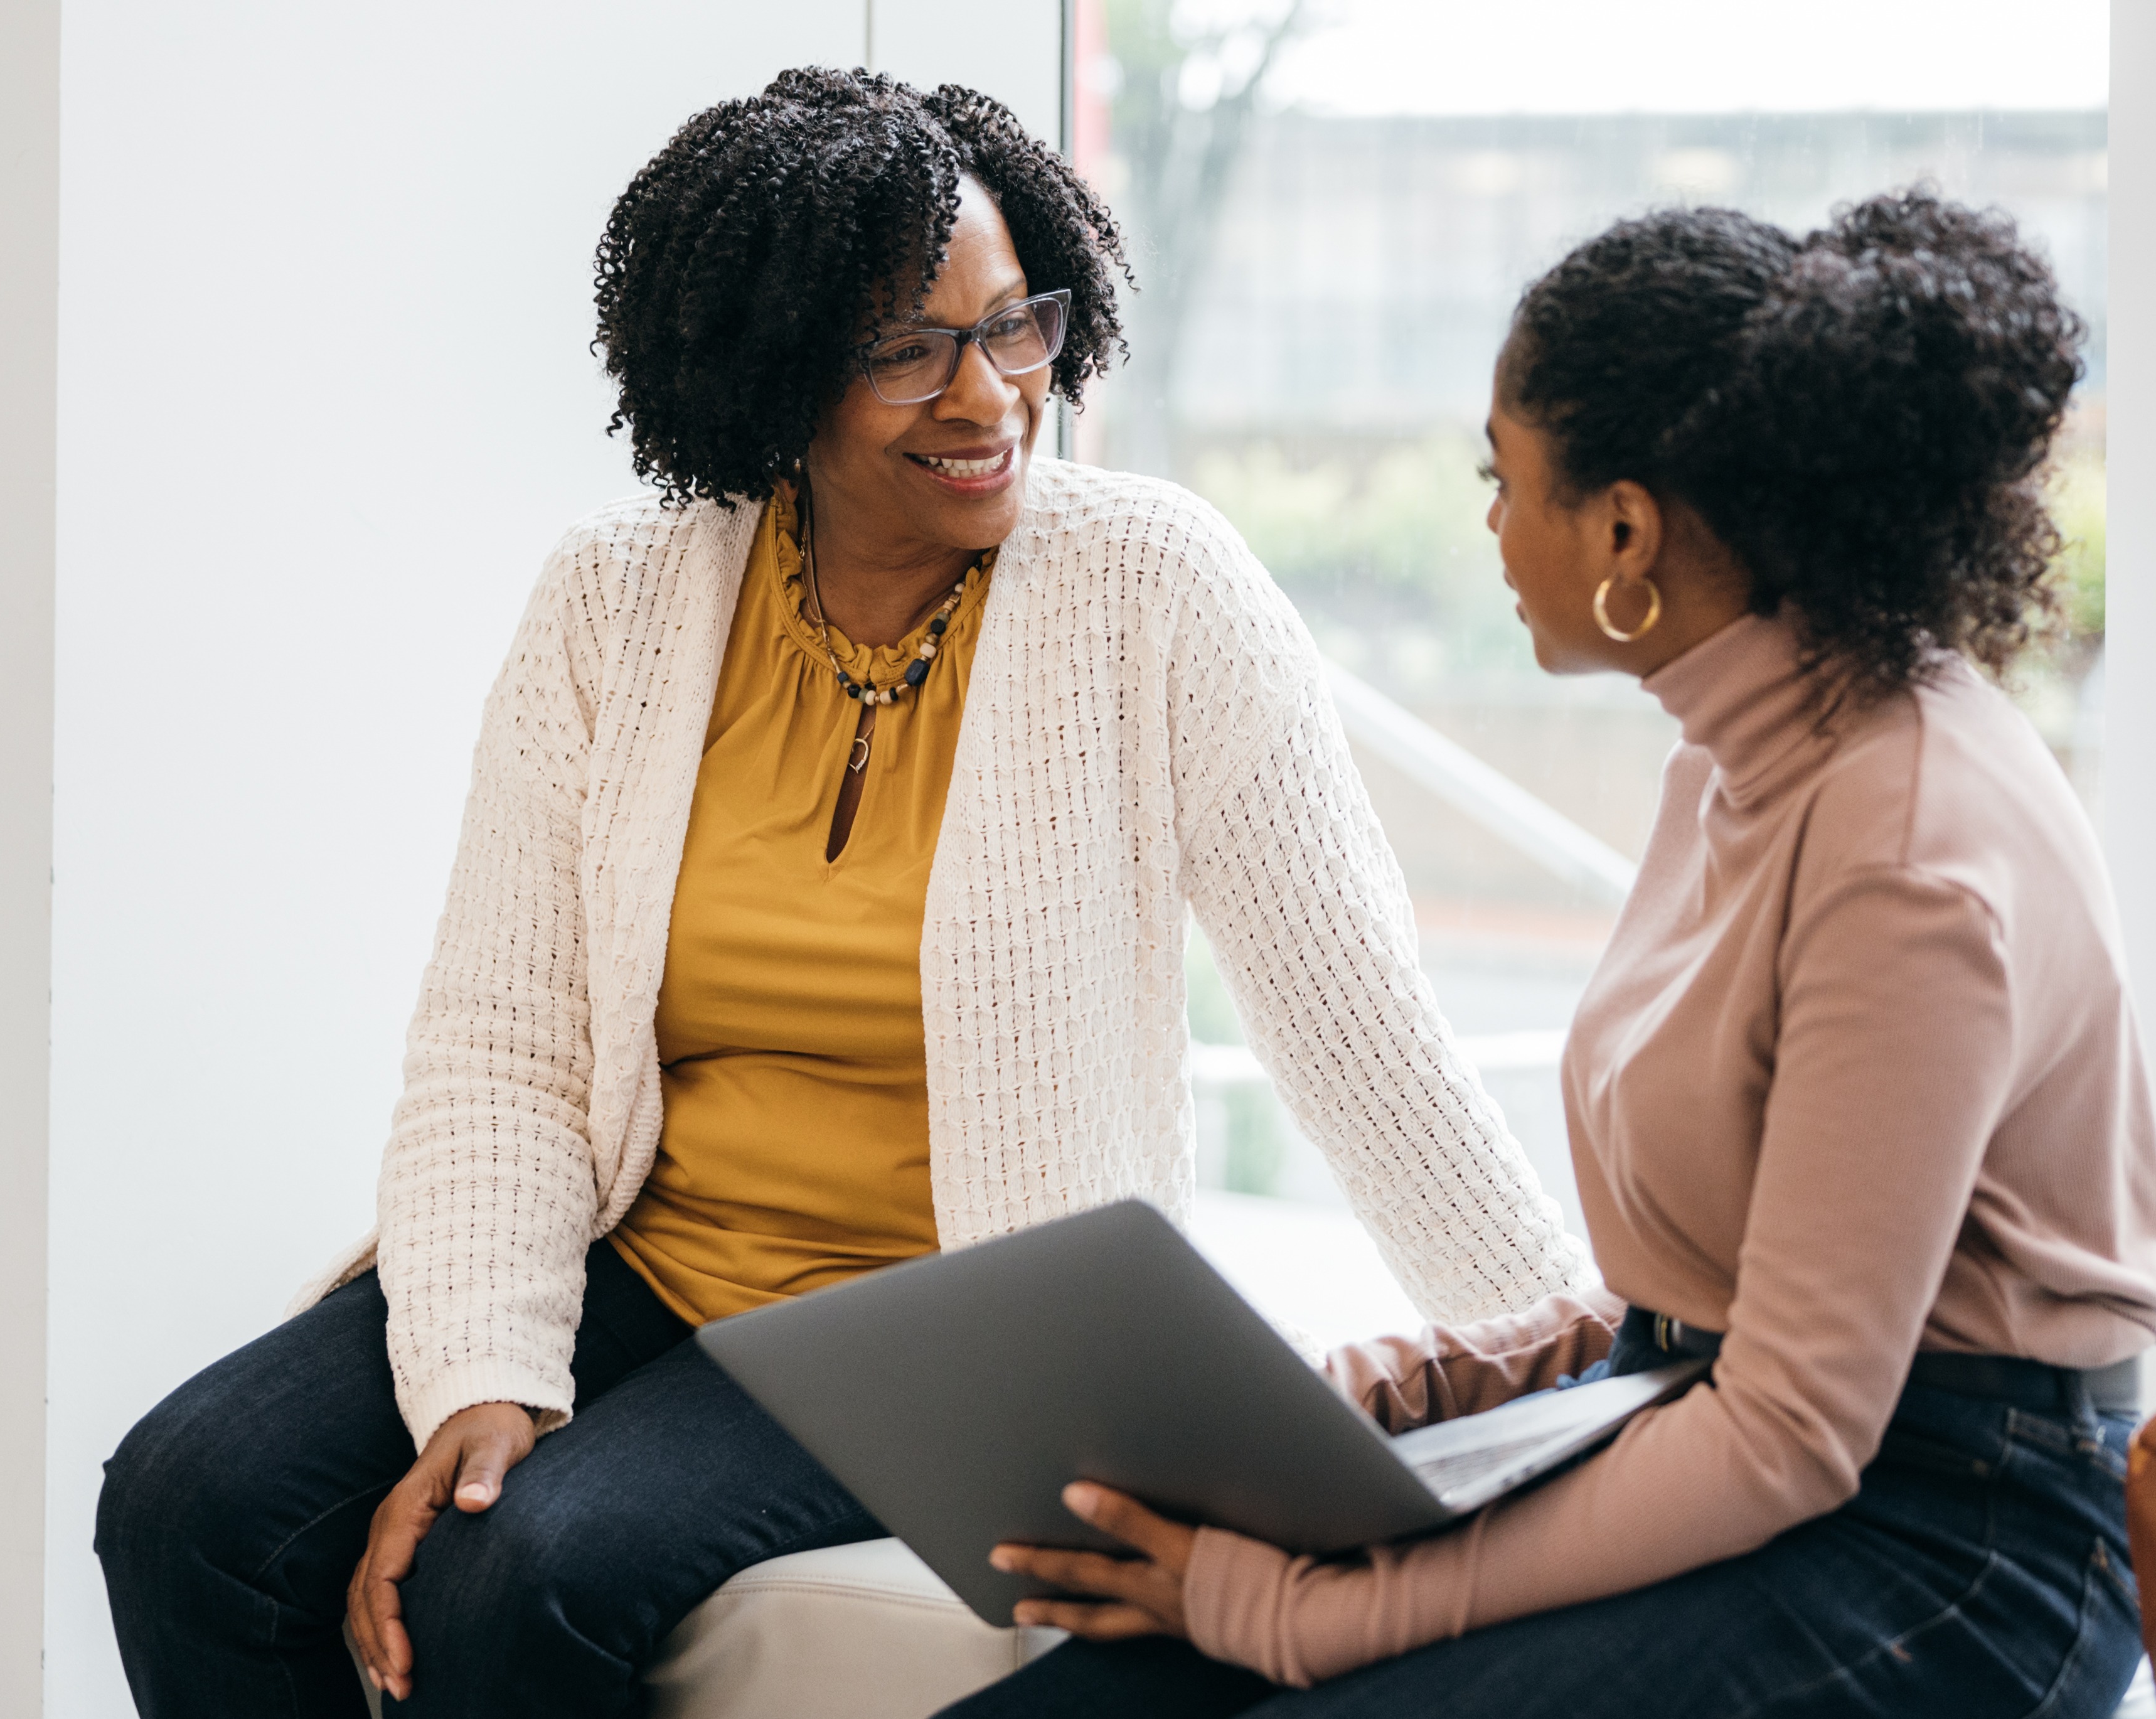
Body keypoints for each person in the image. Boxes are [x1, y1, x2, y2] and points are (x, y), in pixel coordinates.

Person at [90, 68, 1586, 1719]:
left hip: (939, 1316)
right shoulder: (613, 606)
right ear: (770, 368)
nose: (990, 393)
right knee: (188, 1497)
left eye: (1019, 324)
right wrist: (488, 1372)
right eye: (907, 348)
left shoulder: (1153, 592)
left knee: (523, 1567)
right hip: (640, 1256)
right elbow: (501, 1045)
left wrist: (1593, 1373)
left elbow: (1365, 1042)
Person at [963, 191, 2156, 1718]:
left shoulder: (1908, 849)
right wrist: (1346, 1410)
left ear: (1624, 529)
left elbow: (1792, 1429)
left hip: (1963, 1537)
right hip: (1721, 1417)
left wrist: (1312, 1614)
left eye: (1502, 476)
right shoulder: (1734, 762)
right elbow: (1693, 1306)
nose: (1488, 523)